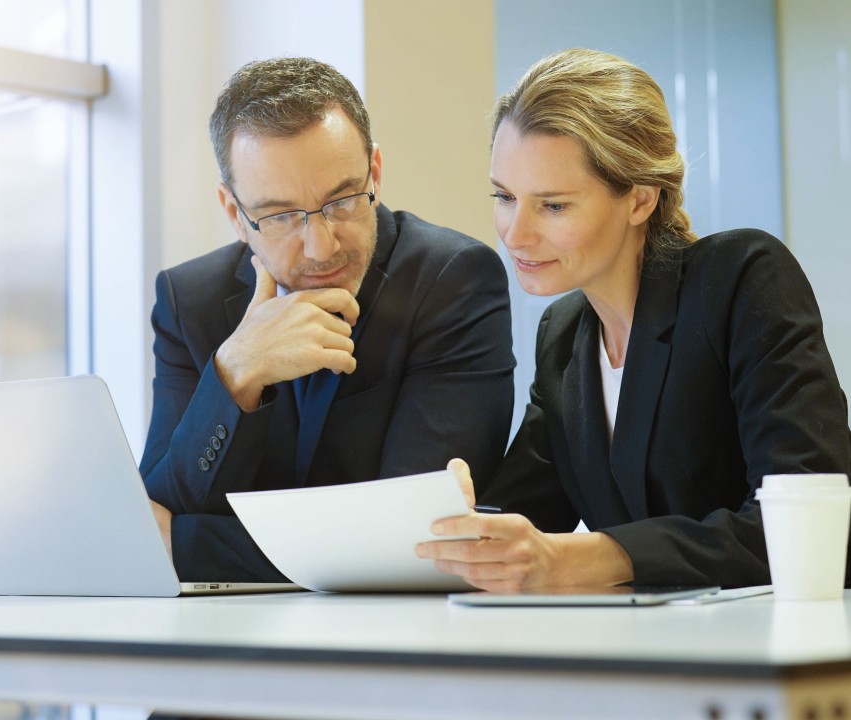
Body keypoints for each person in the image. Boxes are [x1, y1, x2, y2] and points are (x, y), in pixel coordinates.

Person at [417, 48, 851, 590]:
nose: (515, 233)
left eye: (553, 205)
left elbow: (808, 523)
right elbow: (520, 517)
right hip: (646, 640)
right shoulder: (562, 336)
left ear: (641, 199)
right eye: (504, 196)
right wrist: (455, 517)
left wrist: (585, 558)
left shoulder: (739, 280)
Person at [141, 57, 515, 582]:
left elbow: (417, 538)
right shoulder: (189, 300)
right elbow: (156, 508)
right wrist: (235, 372)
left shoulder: (452, 280)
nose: (322, 246)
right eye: (280, 216)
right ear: (234, 214)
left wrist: (184, 546)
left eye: (341, 201)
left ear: (375, 173)